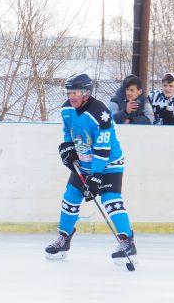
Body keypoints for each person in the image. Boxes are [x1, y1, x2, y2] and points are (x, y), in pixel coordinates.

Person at [46, 73, 137, 264]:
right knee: (70, 196)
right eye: (69, 92)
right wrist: (69, 148)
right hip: (84, 162)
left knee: (110, 200)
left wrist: (95, 176)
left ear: (86, 93)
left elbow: (103, 148)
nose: (71, 97)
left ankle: (127, 241)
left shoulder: (100, 113)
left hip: (109, 162)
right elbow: (68, 131)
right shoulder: (66, 109)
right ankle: (64, 238)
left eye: (75, 92)